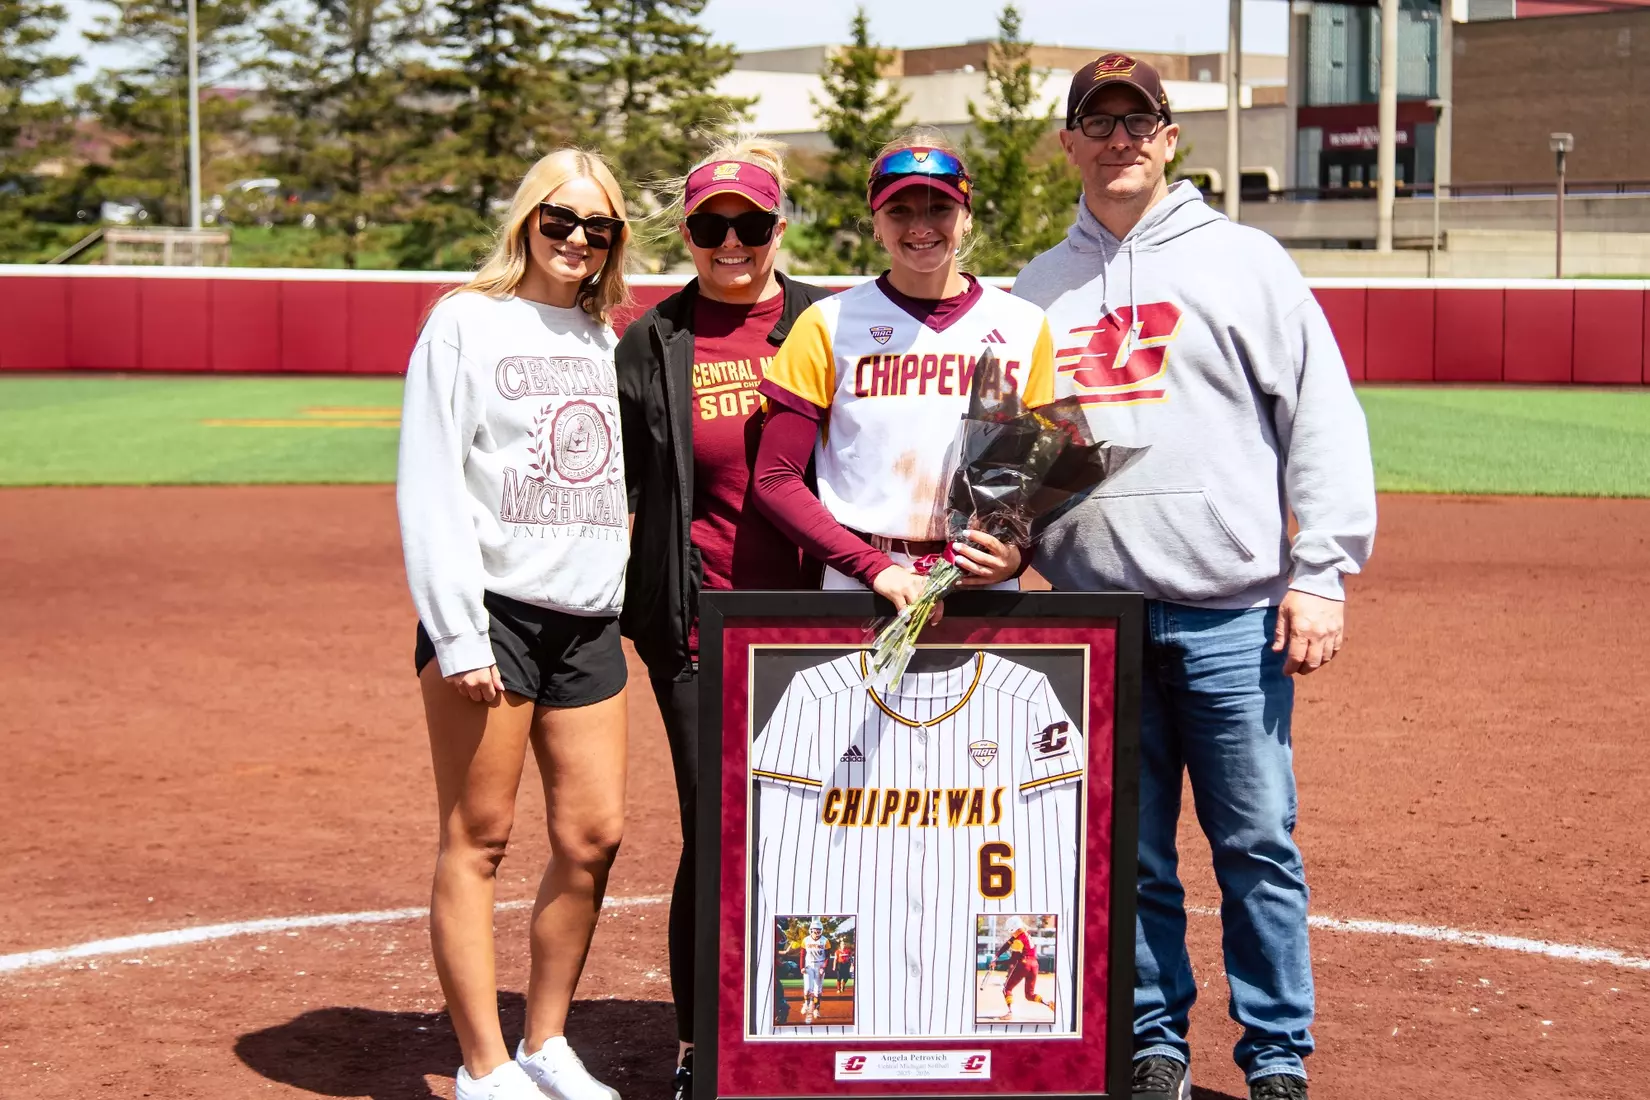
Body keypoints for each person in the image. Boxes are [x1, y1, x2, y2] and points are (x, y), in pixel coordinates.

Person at [1013, 55, 1377, 1100]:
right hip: (1095, 619)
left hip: (1230, 613)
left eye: (1141, 121)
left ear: (1170, 139)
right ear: (1070, 140)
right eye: (1099, 120)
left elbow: (1321, 417)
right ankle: (1152, 1037)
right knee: (1130, 856)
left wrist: (1323, 569)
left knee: (1256, 844)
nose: (1120, 137)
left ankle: (1275, 1055)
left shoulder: (1247, 262)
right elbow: (1016, 457)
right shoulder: (1038, 288)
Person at [398, 148, 635, 1100]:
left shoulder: (602, 336)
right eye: (560, 219)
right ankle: (484, 1066)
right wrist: (457, 633)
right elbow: (430, 481)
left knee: (593, 837)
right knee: (479, 836)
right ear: (527, 219)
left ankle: (546, 1044)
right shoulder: (465, 320)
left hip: (586, 624)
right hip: (490, 615)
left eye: (598, 227)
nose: (577, 239)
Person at [615, 137, 832, 1100]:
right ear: (689, 234)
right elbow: (609, 483)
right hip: (701, 627)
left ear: (779, 228)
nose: (732, 242)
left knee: (826, 828)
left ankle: (816, 1026)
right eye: (712, 226)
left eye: (750, 224)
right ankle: (705, 1043)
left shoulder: (836, 321)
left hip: (828, 624)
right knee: (721, 828)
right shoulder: (654, 340)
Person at [754, 132, 1050, 601]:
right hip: (861, 580)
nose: (920, 226)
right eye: (899, 211)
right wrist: (875, 569)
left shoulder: (1024, 324)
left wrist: (1018, 553)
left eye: (940, 208)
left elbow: (1042, 473)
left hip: (980, 580)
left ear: (967, 217)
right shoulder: (827, 323)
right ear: (875, 223)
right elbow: (775, 479)